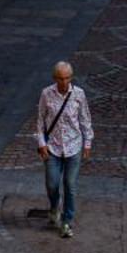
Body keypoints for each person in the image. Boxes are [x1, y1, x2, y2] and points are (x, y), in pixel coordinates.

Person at [34, 59, 93, 238]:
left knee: (70, 185)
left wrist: (88, 143)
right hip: (53, 147)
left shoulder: (78, 95)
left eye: (67, 78)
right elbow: (40, 120)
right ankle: (54, 208)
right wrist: (41, 143)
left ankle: (67, 221)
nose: (64, 82)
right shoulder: (46, 94)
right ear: (54, 78)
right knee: (52, 185)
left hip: (73, 145)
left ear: (71, 78)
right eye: (60, 78)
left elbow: (85, 119)